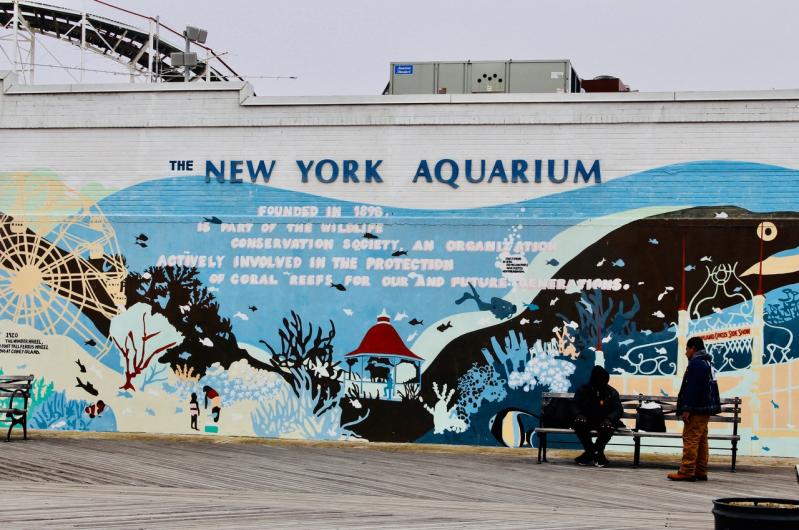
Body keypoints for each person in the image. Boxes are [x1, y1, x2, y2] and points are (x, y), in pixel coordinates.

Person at [668, 336, 721, 481]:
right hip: (705, 409)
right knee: (702, 440)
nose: (686, 353)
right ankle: (700, 470)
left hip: (696, 409)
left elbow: (692, 388)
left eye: (687, 349)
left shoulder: (696, 364)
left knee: (690, 439)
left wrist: (687, 408)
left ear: (693, 348)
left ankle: (687, 470)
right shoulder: (707, 362)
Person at [571, 365, 623, 467]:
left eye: (604, 381)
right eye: (599, 381)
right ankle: (596, 454)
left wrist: (609, 419)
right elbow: (574, 404)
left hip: (604, 421)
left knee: (608, 427)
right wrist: (579, 414)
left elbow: (618, 409)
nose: (602, 383)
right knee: (579, 424)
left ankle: (590, 454)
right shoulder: (583, 390)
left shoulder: (611, 392)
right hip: (587, 420)